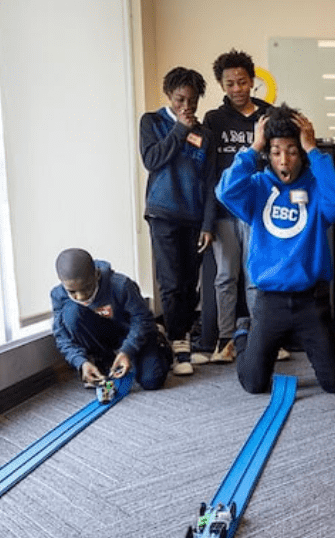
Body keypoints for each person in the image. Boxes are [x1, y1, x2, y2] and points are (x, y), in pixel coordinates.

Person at [215, 104, 335, 394]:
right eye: (277, 152)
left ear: (301, 154)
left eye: (292, 151)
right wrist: (254, 147)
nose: (284, 161)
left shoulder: (318, 187)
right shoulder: (256, 187)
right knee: (253, 384)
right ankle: (243, 334)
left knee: (334, 384)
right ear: (268, 154)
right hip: (270, 302)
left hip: (311, 301)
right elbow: (225, 191)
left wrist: (313, 148)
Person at [202, 49, 285, 363]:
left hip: (259, 211)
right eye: (230, 83)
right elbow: (211, 173)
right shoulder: (214, 120)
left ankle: (264, 336)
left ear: (252, 81)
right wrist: (207, 221)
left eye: (242, 81)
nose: (237, 89)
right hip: (224, 212)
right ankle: (226, 340)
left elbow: (281, 161)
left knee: (256, 276)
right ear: (222, 86)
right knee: (225, 276)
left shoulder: (270, 115)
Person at [139, 66, 214, 376]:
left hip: (194, 216)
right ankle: (176, 341)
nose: (187, 107)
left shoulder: (205, 134)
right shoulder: (152, 122)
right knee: (170, 282)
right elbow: (152, 159)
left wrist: (208, 224)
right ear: (169, 95)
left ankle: (181, 341)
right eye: (181, 99)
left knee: (188, 282)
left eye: (193, 101)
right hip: (164, 214)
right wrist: (179, 130)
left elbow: (211, 181)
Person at [51, 248, 171, 391]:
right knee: (71, 312)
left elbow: (142, 320)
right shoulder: (58, 296)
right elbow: (62, 337)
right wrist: (81, 362)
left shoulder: (121, 285)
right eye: (72, 291)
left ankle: (159, 342)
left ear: (96, 274)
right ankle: (102, 360)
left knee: (152, 380)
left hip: (133, 334)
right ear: (62, 283)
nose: (81, 296)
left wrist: (127, 350)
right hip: (104, 339)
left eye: (87, 287)